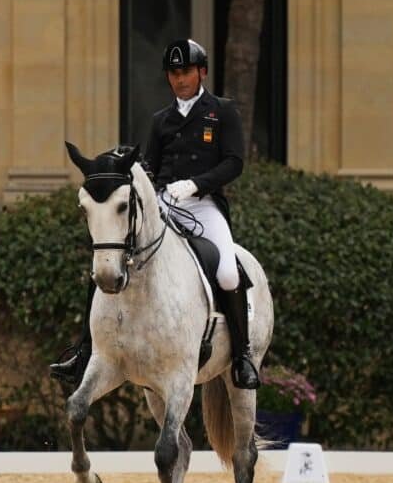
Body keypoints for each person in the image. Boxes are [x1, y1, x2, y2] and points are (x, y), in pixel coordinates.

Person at [50, 38, 260, 390]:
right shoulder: (160, 119)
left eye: (187, 72)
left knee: (226, 271)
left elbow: (234, 162)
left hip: (203, 204)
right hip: (163, 203)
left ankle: (241, 355)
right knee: (109, 258)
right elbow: (150, 165)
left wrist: (195, 184)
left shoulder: (221, 111)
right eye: (174, 73)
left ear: (201, 71)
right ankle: (85, 351)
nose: (180, 79)